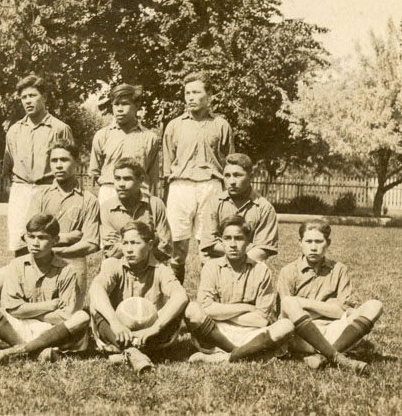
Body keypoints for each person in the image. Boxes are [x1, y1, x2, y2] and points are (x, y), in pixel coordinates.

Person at [0, 214, 90, 364]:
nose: (35, 243)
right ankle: (31, 350)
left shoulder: (66, 270)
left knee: (81, 317)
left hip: (51, 331)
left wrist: (28, 312)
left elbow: (65, 316)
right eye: (31, 236)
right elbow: (12, 309)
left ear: (55, 240)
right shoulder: (16, 265)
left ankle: (18, 351)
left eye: (42, 238)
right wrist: (49, 306)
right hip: (17, 328)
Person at [277, 219, 384, 374]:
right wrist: (330, 307)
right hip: (303, 337)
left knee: (375, 305)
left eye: (319, 241)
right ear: (300, 242)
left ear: (328, 243)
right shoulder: (288, 272)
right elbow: (285, 313)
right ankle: (339, 357)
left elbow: (341, 312)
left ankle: (326, 356)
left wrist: (301, 302)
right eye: (308, 241)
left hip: (335, 331)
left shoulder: (339, 270)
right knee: (288, 302)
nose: (313, 247)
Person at [184, 215, 293, 363]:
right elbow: (207, 308)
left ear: (249, 242)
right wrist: (246, 307)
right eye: (227, 238)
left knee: (286, 325)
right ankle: (246, 354)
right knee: (192, 309)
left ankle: (227, 357)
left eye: (239, 238)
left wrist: (222, 312)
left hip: (251, 334)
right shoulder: (211, 267)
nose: (233, 244)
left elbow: (261, 320)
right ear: (221, 241)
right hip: (218, 332)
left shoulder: (261, 271)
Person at [89, 221, 189, 373]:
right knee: (96, 306)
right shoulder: (112, 264)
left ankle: (122, 352)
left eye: (135, 243)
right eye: (125, 243)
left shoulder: (161, 269)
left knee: (177, 310)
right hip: (118, 332)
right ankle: (131, 352)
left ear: (149, 245)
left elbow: (181, 296)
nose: (129, 249)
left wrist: (155, 328)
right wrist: (115, 323)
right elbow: (96, 289)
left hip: (149, 334)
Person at [163, 71, 234, 283]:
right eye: (187, 93)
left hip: (210, 187)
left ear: (209, 95)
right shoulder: (174, 125)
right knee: (178, 246)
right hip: (180, 187)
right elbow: (168, 164)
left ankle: (206, 299)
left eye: (196, 92)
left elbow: (230, 160)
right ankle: (176, 300)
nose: (191, 97)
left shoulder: (221, 125)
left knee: (208, 247)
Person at [16, 139, 100, 291]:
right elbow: (28, 234)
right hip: (41, 262)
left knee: (70, 312)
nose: (59, 165)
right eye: (54, 160)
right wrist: (66, 238)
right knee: (1, 277)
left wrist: (54, 250)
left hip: (72, 264)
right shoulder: (40, 196)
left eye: (64, 160)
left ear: (77, 162)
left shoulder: (89, 200)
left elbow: (91, 243)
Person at [3, 74, 73, 255]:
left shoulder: (60, 129)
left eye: (32, 95)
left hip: (48, 190)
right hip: (21, 191)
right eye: (24, 97)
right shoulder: (14, 130)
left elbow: (69, 165)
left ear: (44, 97)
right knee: (21, 243)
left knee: (49, 242)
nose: (28, 101)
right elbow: (8, 165)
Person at [199, 153, 278, 264]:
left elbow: (263, 248)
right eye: (227, 175)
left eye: (237, 175)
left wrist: (238, 262)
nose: (231, 181)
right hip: (218, 265)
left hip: (250, 266)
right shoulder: (214, 203)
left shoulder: (264, 207)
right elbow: (209, 243)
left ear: (250, 176)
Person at [90, 84, 160, 203]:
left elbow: (152, 176)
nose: (120, 109)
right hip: (109, 192)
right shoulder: (102, 135)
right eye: (116, 104)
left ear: (136, 106)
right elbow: (95, 172)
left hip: (140, 193)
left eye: (125, 104)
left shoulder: (150, 138)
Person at [99, 158, 171, 263]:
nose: (121, 184)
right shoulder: (106, 208)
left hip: (150, 266)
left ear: (141, 180)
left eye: (127, 179)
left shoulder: (155, 204)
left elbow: (165, 246)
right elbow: (111, 251)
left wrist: (123, 241)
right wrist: (148, 239)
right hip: (118, 266)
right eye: (117, 178)